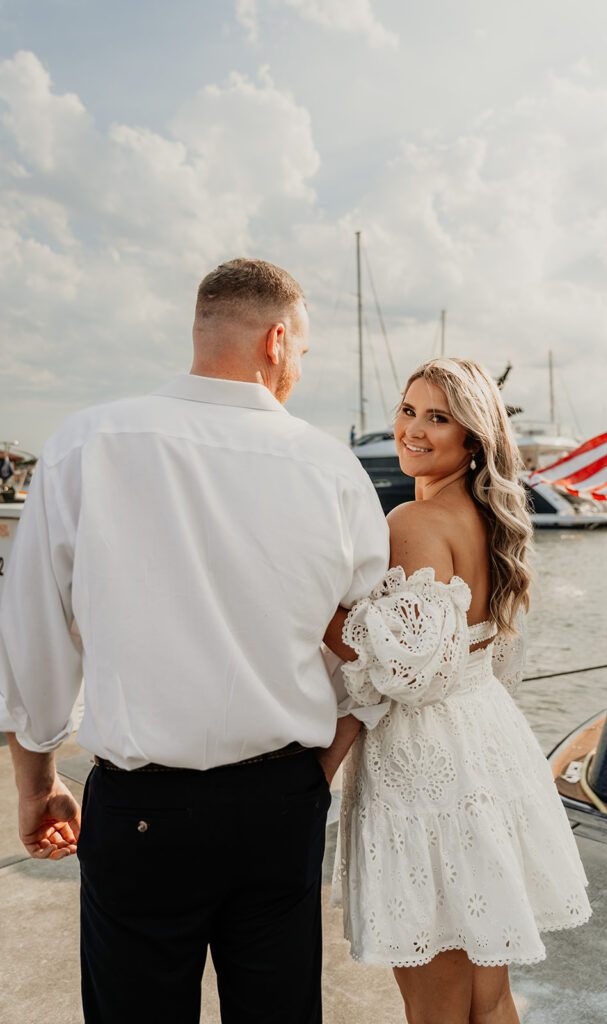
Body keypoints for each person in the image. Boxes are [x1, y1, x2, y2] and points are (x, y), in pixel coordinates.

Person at [0, 258, 389, 1024]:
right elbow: (371, 652)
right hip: (281, 800)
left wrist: (37, 780)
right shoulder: (331, 468)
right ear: (277, 340)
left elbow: (33, 635)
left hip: (140, 808)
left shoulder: (85, 444)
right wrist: (321, 766)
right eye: (303, 353)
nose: (299, 370)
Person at [322, 358, 591, 1024]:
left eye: (436, 418)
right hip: (487, 740)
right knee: (487, 992)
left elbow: (405, 670)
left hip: (425, 763)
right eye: (407, 410)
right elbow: (485, 653)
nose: (412, 430)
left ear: (471, 438)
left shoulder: (412, 523)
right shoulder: (482, 516)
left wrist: (310, 608)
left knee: (435, 1003)